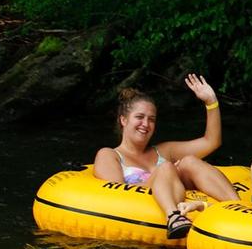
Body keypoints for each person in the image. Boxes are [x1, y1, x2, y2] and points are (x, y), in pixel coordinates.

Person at [92, 74, 239, 238]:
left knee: (189, 161)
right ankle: (173, 217)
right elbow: (117, 196)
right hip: (144, 212)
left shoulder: (165, 151)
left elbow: (211, 142)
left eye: (152, 119)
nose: (146, 124)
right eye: (139, 117)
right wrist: (165, 172)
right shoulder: (109, 155)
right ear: (123, 120)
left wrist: (211, 102)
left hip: (181, 194)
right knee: (167, 167)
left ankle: (238, 208)